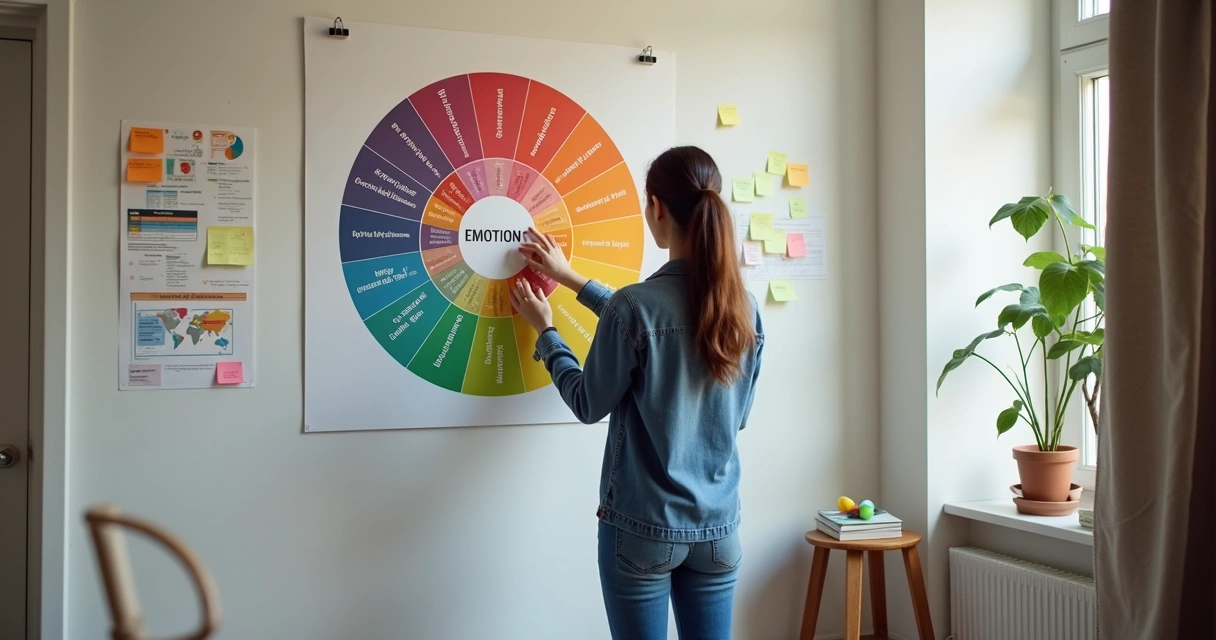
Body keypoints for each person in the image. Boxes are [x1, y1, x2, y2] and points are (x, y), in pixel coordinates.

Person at [509, 145, 765, 640]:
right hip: (719, 532)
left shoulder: (635, 308)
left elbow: (588, 402)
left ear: (657, 207)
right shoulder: (744, 309)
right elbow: (736, 417)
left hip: (641, 531)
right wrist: (570, 277)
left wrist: (547, 332)